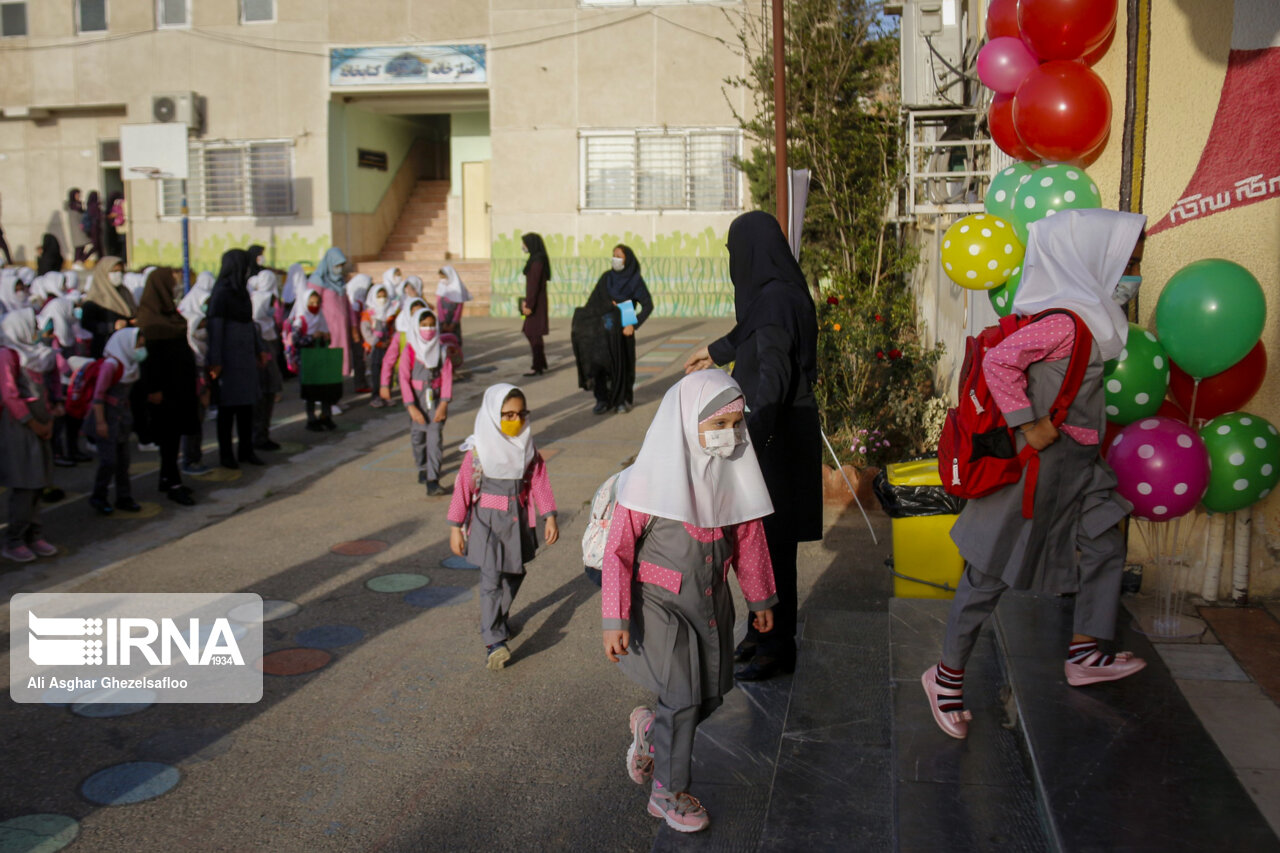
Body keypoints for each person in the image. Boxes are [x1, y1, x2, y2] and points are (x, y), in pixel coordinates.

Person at [922, 209, 1149, 740]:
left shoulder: (1090, 321)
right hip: (1040, 468)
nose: (1133, 275)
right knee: (990, 571)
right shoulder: (1064, 322)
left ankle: (1085, 650)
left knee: (1104, 543)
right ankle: (946, 676)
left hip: (1080, 468)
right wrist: (1030, 421)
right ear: (1088, 260)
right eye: (1128, 262)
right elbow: (1000, 361)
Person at [601, 370, 777, 833]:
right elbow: (618, 551)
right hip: (658, 607)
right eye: (717, 425)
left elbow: (750, 540)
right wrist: (615, 617)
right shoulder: (648, 480)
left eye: (736, 424)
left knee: (710, 695)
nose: (729, 435)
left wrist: (760, 598)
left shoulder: (734, 475)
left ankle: (652, 733)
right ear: (685, 422)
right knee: (682, 696)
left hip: (711, 603)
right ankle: (668, 794)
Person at [684, 211, 821, 682]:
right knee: (761, 542)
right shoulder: (778, 294)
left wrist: (748, 443)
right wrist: (716, 352)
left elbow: (774, 377)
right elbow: (752, 334)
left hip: (773, 439)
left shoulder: (775, 298)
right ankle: (762, 634)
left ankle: (776, 646)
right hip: (779, 434)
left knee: (772, 545)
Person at [447, 383, 559, 670]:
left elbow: (539, 481)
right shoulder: (478, 451)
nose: (515, 421)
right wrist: (455, 526)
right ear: (493, 414)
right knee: (491, 581)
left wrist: (549, 515)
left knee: (516, 573)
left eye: (521, 414)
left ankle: (496, 618)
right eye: (508, 415)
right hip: (487, 525)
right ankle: (493, 641)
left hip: (517, 522)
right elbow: (463, 488)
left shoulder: (527, 448)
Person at [136, 267, 200, 506]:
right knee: (168, 435)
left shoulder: (170, 315)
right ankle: (173, 482)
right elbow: (148, 361)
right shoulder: (149, 320)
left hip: (180, 385)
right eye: (170, 284)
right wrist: (152, 389)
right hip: (164, 390)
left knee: (174, 435)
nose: (174, 288)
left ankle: (167, 476)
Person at [0, 309, 59, 561]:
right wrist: (33, 423)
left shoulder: (36, 354)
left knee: (39, 481)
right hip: (20, 427)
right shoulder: (8, 354)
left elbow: (45, 390)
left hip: (40, 425)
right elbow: (9, 395)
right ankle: (14, 539)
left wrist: (50, 418)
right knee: (24, 483)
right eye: (32, 326)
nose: (36, 331)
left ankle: (34, 534)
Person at [575, 244, 654, 415]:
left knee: (622, 366)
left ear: (627, 260)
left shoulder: (635, 280)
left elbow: (648, 305)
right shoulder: (606, 278)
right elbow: (592, 302)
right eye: (614, 255)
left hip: (624, 328)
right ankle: (602, 399)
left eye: (619, 256)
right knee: (601, 365)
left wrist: (633, 324)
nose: (615, 259)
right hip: (603, 330)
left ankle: (622, 400)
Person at [207, 249, 266, 469]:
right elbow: (215, 330)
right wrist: (216, 361)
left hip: (245, 359)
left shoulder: (241, 293)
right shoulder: (221, 294)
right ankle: (226, 454)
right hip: (229, 360)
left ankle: (246, 450)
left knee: (246, 408)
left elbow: (250, 324)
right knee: (227, 410)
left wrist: (259, 349)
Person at [86, 327, 147, 515]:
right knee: (108, 461)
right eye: (138, 345)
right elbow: (98, 396)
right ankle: (99, 496)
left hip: (122, 418)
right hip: (107, 418)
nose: (140, 350)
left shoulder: (131, 364)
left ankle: (124, 497)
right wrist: (100, 422)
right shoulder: (111, 365)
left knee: (123, 461)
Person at [398, 307, 453, 495]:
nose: (428, 329)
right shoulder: (410, 350)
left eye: (431, 325)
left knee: (435, 438)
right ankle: (422, 466)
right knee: (418, 438)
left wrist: (444, 403)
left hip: (436, 400)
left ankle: (433, 479)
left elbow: (447, 376)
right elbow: (403, 378)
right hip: (417, 400)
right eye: (424, 325)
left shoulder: (441, 350)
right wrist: (411, 406)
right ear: (416, 327)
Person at [37, 287, 89, 466]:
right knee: (57, 425)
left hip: (64, 386)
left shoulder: (61, 335)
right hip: (54, 389)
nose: (52, 333)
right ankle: (57, 454)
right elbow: (60, 365)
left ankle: (71, 450)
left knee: (70, 421)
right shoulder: (42, 345)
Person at [309, 248, 354, 410]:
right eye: (336, 265)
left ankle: (335, 398)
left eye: (341, 265)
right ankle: (326, 402)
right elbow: (311, 307)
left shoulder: (339, 282)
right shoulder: (317, 281)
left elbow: (347, 305)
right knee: (327, 366)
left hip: (341, 332)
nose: (339, 269)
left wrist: (354, 326)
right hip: (326, 332)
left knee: (338, 365)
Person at [290, 288, 337, 431]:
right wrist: (312, 337)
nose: (315, 306)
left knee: (325, 389)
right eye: (311, 303)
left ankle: (326, 416)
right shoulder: (300, 321)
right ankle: (311, 419)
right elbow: (296, 341)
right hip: (307, 360)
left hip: (321, 357)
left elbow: (328, 337)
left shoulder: (321, 317)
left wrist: (326, 337)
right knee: (310, 391)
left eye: (317, 303)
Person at [250, 271, 284, 451]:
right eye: (270, 305)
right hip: (262, 373)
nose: (273, 308)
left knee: (268, 399)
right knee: (261, 401)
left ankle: (264, 434)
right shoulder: (257, 330)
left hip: (270, 373)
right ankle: (258, 436)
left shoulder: (269, 325)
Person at [179, 294, 211, 475]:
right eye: (200, 327)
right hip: (192, 394)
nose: (203, 330)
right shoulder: (189, 351)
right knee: (191, 428)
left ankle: (196, 458)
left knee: (198, 426)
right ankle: (189, 460)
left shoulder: (203, 349)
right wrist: (203, 391)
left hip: (201, 393)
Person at [80, 256, 135, 358]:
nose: (118, 274)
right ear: (104, 273)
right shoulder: (95, 298)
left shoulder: (125, 292)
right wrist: (111, 326)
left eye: (121, 271)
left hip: (126, 346)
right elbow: (87, 324)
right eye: (114, 271)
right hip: (105, 348)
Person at [380, 294, 428, 407]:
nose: (417, 316)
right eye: (414, 313)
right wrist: (384, 385)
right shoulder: (401, 336)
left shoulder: (430, 333)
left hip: (428, 380)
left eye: (421, 312)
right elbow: (388, 361)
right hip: (407, 379)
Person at [362, 282, 398, 409]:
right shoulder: (368, 313)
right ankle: (376, 396)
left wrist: (391, 341)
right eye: (379, 296)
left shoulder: (391, 312)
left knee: (388, 371)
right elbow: (366, 331)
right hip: (374, 348)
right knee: (375, 372)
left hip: (388, 347)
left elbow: (394, 329)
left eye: (384, 296)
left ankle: (387, 394)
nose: (382, 299)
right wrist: (378, 343)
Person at [520, 233, 551, 376]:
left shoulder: (537, 262)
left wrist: (529, 305)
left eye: (525, 243)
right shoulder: (535, 259)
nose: (523, 246)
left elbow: (534, 285)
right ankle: (541, 363)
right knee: (533, 333)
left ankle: (537, 366)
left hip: (536, 304)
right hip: (535, 301)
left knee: (532, 333)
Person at [436, 264, 471, 351]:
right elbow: (439, 306)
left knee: (454, 342)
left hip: (453, 322)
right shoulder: (440, 287)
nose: (442, 280)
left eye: (444, 277)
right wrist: (443, 322)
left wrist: (453, 323)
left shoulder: (458, 289)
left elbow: (459, 308)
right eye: (441, 278)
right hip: (442, 321)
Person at [66, 189, 92, 263]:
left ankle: (79, 261)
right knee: (79, 247)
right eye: (77, 195)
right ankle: (77, 261)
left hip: (81, 227)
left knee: (82, 246)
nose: (78, 197)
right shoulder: (72, 205)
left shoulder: (79, 204)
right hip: (77, 228)